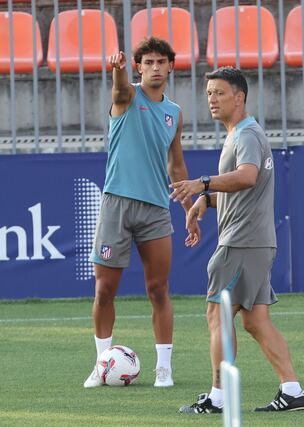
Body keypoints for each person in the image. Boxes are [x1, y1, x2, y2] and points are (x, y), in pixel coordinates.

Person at [170, 67, 304, 412]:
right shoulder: (243, 133)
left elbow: (247, 177)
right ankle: (292, 391)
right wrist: (206, 201)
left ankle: (219, 397)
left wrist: (202, 184)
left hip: (241, 243)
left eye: (219, 93)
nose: (212, 100)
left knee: (217, 315)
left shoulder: (246, 135)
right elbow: (246, 188)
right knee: (256, 320)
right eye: (209, 94)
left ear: (239, 96)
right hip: (256, 241)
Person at [84, 37, 200, 389]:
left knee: (159, 289)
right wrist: (117, 73)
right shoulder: (127, 96)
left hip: (154, 209)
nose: (154, 67)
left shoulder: (174, 113)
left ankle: (163, 368)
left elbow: (177, 166)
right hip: (116, 204)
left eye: (160, 62)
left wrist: (189, 209)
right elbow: (118, 91)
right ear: (138, 67)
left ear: (169, 66)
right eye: (147, 62)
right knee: (104, 290)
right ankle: (101, 363)